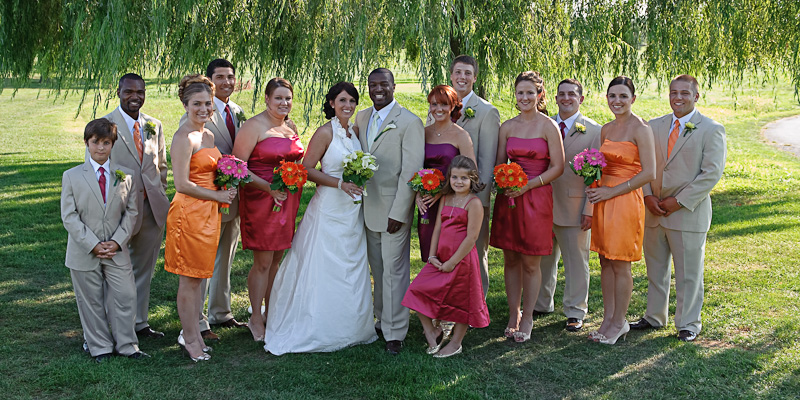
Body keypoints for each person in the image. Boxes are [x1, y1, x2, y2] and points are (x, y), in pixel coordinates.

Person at [264, 82, 378, 355]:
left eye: (352, 100)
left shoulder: (356, 131)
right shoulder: (325, 132)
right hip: (329, 208)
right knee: (323, 264)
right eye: (342, 100)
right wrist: (340, 184)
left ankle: (351, 325)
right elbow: (306, 170)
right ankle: (316, 325)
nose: (348, 105)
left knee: (350, 264)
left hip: (352, 210)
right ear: (331, 103)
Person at [631, 74, 727, 342]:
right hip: (653, 210)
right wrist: (648, 195)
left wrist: (678, 201)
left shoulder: (710, 129)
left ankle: (688, 324)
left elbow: (711, 174)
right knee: (655, 269)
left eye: (685, 93)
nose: (678, 97)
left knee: (689, 273)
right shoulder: (654, 126)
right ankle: (654, 316)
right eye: (674, 92)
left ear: (696, 96)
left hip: (687, 213)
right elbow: (641, 165)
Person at [61, 118, 146, 363]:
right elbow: (69, 216)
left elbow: (131, 212)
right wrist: (92, 243)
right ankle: (100, 347)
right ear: (87, 143)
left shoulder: (125, 176)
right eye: (95, 142)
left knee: (126, 295)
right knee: (91, 300)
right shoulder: (72, 176)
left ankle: (127, 345)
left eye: (106, 142)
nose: (101, 147)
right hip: (84, 250)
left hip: (116, 249)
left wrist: (118, 241)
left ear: (113, 144)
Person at [165, 74, 236, 362]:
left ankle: (192, 330)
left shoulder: (208, 135)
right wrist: (218, 196)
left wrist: (226, 183)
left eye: (208, 103)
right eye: (197, 104)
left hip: (209, 214)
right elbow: (181, 184)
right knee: (190, 281)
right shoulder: (184, 138)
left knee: (201, 276)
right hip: (189, 214)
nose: (204, 109)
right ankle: (190, 338)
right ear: (185, 105)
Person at [489, 71, 565, 343]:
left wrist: (529, 185)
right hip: (510, 198)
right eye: (520, 92)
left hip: (536, 197)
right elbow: (499, 164)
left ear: (540, 95)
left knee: (532, 261)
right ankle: (513, 314)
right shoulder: (507, 127)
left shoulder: (548, 127)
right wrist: (504, 182)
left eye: (530, 93)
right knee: (511, 259)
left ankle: (529, 316)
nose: (524, 97)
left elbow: (558, 167)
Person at [355, 67, 425, 355]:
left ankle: (395, 332)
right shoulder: (361, 117)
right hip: (365, 207)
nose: (378, 89)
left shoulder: (409, 122)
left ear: (394, 86)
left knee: (395, 270)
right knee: (378, 269)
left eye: (383, 84)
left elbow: (411, 170)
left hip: (393, 209)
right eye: (372, 85)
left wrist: (400, 211)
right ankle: (382, 319)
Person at [179, 59, 248, 341]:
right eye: (220, 77)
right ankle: (198, 321)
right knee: (203, 260)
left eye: (231, 77)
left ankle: (221, 310)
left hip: (232, 195)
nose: (226, 82)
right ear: (209, 81)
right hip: (205, 198)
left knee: (226, 254)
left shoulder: (238, 111)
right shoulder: (194, 119)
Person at [585, 76, 656, 345]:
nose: (617, 101)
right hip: (603, 198)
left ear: (633, 99)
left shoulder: (641, 129)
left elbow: (649, 172)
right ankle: (608, 319)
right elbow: (602, 166)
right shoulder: (606, 129)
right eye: (612, 96)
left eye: (623, 96)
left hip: (625, 200)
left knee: (620, 261)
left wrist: (611, 191)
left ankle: (620, 321)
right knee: (605, 260)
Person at [234, 77, 304, 342]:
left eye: (288, 98)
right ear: (266, 98)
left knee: (276, 259)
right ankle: (255, 318)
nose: (284, 103)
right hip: (261, 199)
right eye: (278, 98)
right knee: (262, 262)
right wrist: (268, 189)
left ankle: (271, 311)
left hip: (287, 199)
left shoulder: (291, 125)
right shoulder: (253, 126)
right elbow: (238, 168)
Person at [402, 156, 490, 358]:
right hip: (440, 257)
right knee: (416, 290)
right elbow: (438, 228)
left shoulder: (473, 203)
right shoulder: (445, 199)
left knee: (462, 301)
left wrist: (452, 262)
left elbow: (472, 237)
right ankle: (432, 331)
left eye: (464, 178)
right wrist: (432, 255)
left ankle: (456, 343)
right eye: (455, 177)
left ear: (473, 180)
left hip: (462, 259)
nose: (458, 182)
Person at [103, 73, 168, 339]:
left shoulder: (154, 124)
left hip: (152, 208)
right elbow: (100, 169)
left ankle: (139, 322)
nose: (135, 97)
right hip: (119, 209)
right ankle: (113, 326)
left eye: (140, 92)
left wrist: (159, 191)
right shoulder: (105, 124)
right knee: (116, 270)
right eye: (129, 91)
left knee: (144, 267)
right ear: (118, 91)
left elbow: (160, 165)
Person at [536, 79, 602, 332]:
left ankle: (576, 311)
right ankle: (542, 302)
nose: (566, 98)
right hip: (543, 204)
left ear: (581, 99)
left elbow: (597, 174)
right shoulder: (545, 125)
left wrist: (590, 209)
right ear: (555, 98)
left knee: (576, 261)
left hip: (575, 206)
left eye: (572, 94)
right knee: (543, 257)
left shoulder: (594, 130)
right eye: (561, 94)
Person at [448, 55, 500, 298]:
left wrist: (480, 199)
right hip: (446, 194)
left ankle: (477, 302)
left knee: (476, 250)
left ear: (475, 78)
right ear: (451, 75)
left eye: (468, 73)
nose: (462, 77)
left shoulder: (487, 111)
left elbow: (487, 159)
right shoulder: (440, 106)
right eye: (458, 72)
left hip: (474, 196)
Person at [416, 84, 475, 262]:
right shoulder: (423, 133)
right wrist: (417, 194)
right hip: (426, 203)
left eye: (444, 104)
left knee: (447, 253)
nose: (438, 109)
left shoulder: (461, 136)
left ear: (453, 106)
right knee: (428, 253)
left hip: (451, 203)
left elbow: (472, 173)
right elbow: (415, 167)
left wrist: (443, 192)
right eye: (434, 104)